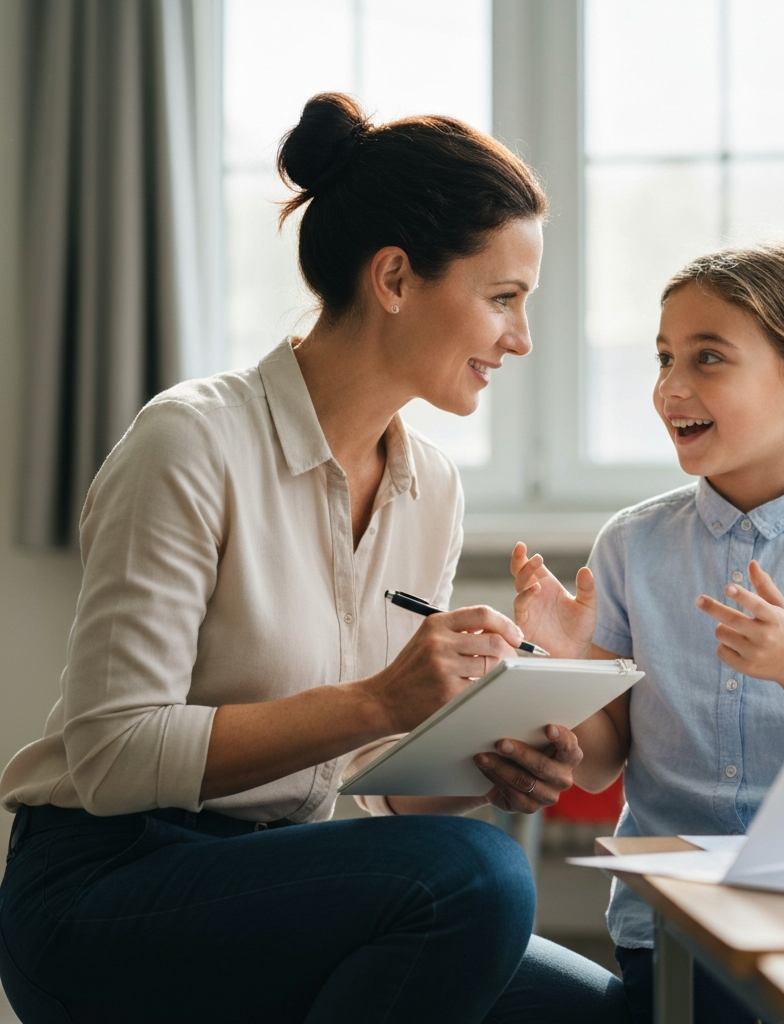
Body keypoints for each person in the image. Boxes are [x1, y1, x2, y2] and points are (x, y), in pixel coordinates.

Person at [0, 93, 629, 1024]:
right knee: (480, 881)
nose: (521, 338)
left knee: (601, 1012)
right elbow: (112, 754)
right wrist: (383, 698)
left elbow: (377, 780)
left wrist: (485, 759)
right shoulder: (190, 442)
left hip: (275, 879)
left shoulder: (432, 488)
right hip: (105, 890)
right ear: (395, 278)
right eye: (502, 299)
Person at [507, 244, 784, 1024]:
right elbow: (599, 765)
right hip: (669, 926)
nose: (671, 387)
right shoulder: (630, 546)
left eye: (708, 358)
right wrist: (564, 662)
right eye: (664, 357)